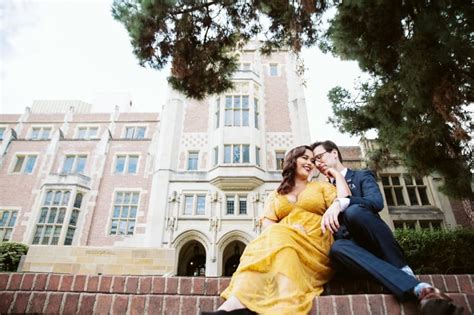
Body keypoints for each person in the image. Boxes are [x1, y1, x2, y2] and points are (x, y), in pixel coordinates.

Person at [311, 140, 464, 315]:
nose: (317, 162)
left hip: (376, 243)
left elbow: (376, 203)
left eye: (319, 156)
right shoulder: (320, 189)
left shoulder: (361, 176)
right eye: (314, 160)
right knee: (337, 248)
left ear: (334, 153)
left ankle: (401, 269)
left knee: (354, 212)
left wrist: (343, 202)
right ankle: (420, 288)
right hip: (353, 254)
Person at [203, 145, 351, 315]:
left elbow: (345, 200)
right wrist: (289, 229)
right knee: (271, 245)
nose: (310, 162)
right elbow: (267, 223)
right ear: (292, 161)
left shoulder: (321, 187)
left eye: (312, 160)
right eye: (304, 158)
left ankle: (279, 307)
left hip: (316, 243)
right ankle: (233, 306)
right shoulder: (276, 194)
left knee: (280, 239)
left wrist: (337, 175)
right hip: (285, 241)